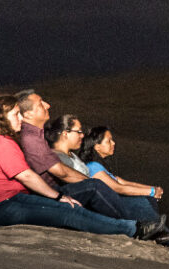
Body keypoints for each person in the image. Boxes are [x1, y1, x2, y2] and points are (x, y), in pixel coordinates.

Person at [0, 94, 169, 241]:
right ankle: (134, 229)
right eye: (16, 114)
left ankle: (138, 227)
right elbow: (27, 176)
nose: (20, 119)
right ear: (0, 118)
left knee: (69, 208)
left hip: (9, 201)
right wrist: (58, 196)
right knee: (67, 213)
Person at [73, 121, 169, 259]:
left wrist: (152, 189)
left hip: (117, 204)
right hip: (113, 208)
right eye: (108, 141)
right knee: (142, 201)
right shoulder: (92, 166)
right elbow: (117, 187)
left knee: (146, 199)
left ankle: (160, 235)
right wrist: (150, 192)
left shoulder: (97, 166)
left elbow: (121, 181)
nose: (113, 143)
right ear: (96, 146)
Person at [13, 90, 148, 223]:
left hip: (52, 191)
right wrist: (90, 182)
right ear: (28, 114)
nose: (47, 105)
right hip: (48, 193)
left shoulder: (37, 137)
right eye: (41, 104)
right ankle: (135, 226)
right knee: (95, 187)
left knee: (140, 200)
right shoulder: (30, 138)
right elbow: (61, 172)